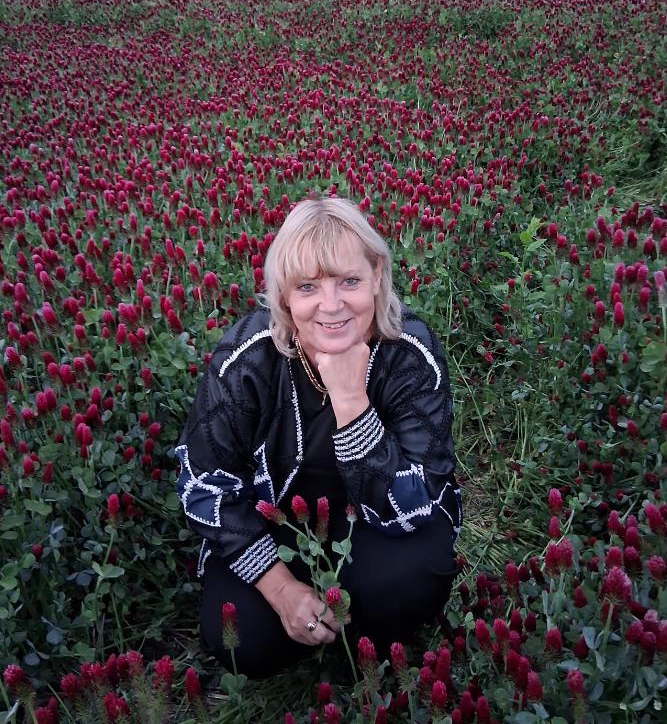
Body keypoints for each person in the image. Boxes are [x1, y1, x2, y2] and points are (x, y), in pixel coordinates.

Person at [174, 196, 462, 678]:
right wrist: (281, 588)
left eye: (349, 281)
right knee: (241, 638)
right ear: (284, 295)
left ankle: (359, 641)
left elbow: (414, 503)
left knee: (413, 579)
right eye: (308, 286)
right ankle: (312, 623)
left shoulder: (409, 353)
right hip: (275, 527)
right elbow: (204, 487)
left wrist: (351, 399)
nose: (331, 305)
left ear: (376, 274)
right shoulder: (247, 359)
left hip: (372, 530)